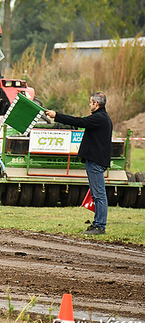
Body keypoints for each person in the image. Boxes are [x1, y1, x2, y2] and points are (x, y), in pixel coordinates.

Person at [45, 93, 113, 235]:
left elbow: (78, 122)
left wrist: (56, 115)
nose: (89, 105)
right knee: (97, 194)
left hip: (95, 162)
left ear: (96, 104)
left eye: (90, 103)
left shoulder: (99, 118)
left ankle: (99, 226)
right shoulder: (103, 118)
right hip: (96, 161)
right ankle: (98, 224)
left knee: (99, 195)